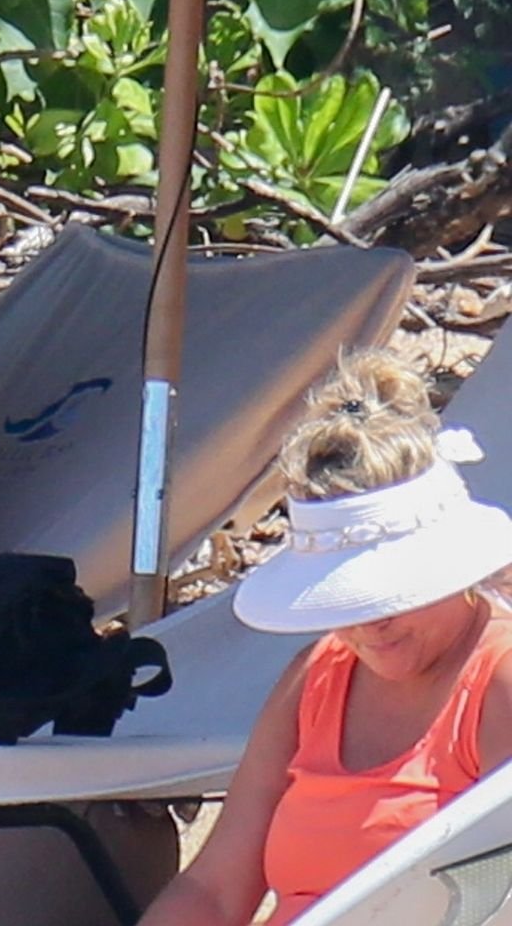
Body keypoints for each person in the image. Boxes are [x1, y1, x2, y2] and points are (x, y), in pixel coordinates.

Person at [134, 350, 512, 925]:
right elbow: (214, 889)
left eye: (392, 597)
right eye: (346, 602)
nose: (368, 625)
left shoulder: (497, 680)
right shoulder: (319, 675)